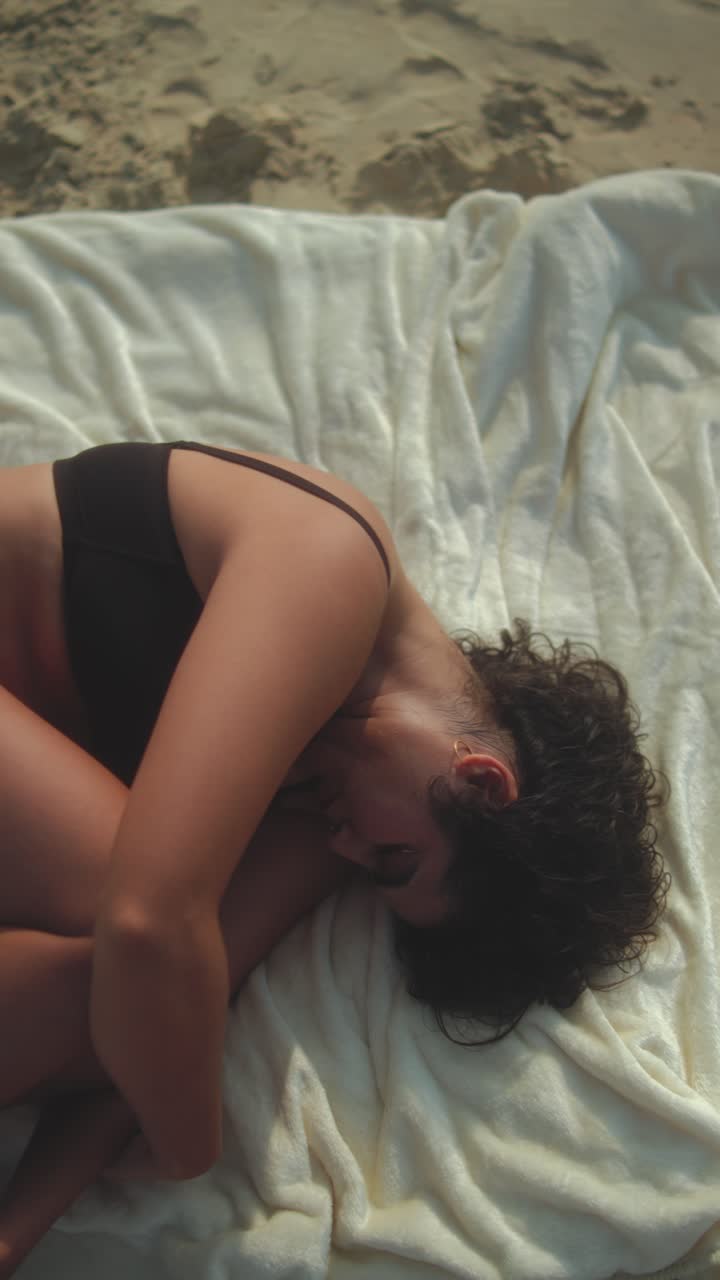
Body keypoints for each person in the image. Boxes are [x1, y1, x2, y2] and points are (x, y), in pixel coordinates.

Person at [0, 440, 669, 1273]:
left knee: (131, 1004)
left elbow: (178, 1013)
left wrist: (18, 1231)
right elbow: (148, 923)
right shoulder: (332, 560)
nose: (352, 849)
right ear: (480, 781)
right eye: (393, 859)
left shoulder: (332, 801)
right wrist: (191, 1147)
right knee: (131, 907)